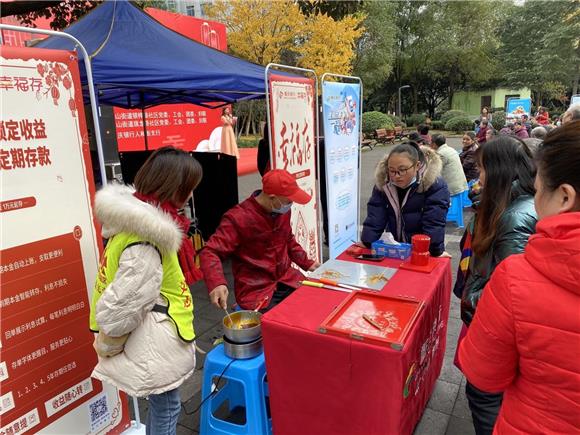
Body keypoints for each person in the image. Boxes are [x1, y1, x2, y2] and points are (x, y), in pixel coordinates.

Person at [459, 121, 580, 435]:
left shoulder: (515, 232)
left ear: (565, 197)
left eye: (540, 189)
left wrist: (474, 297)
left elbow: (485, 375)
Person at [89, 147, 203, 434]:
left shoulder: (134, 221)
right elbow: (124, 305)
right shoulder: (147, 238)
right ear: (172, 187)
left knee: (162, 405)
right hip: (152, 340)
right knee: (167, 408)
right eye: (188, 188)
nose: (190, 196)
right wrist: (108, 345)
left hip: (151, 336)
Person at [457, 136, 537, 435]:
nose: (479, 176)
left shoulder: (515, 216)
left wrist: (471, 301)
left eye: (482, 169)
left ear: (498, 169)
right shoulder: (513, 204)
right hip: (494, 324)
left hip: (498, 330)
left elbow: (513, 291)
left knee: (484, 398)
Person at [200, 169, 319, 311]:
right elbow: (210, 251)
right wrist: (217, 283)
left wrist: (308, 263)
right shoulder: (238, 218)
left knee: (314, 305)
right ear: (272, 197)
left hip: (287, 279)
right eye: (289, 200)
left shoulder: (282, 211)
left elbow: (288, 239)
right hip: (256, 289)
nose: (291, 204)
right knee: (280, 325)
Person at [361, 141, 450, 257]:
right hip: (395, 247)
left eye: (402, 170)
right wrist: (367, 241)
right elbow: (376, 215)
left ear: (417, 166)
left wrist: (435, 251)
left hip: (420, 250)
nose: (396, 176)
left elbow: (434, 222)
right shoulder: (383, 182)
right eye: (392, 170)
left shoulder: (433, 184)